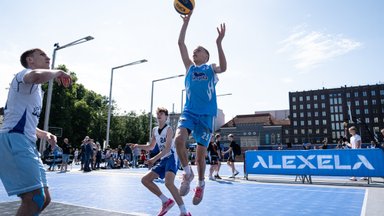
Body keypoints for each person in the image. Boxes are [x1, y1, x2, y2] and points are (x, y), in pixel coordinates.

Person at [0, 48, 71, 215]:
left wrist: (43, 134)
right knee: (34, 198)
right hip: (14, 141)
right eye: (42, 55)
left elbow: (23, 121)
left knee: (44, 198)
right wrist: (59, 71)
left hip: (27, 141)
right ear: (30, 60)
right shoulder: (24, 74)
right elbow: (36, 76)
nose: (47, 57)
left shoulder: (36, 91)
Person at [175, 10, 227, 206]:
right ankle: (187, 174)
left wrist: (219, 43)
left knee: (200, 157)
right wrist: (185, 23)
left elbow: (224, 66)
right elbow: (181, 44)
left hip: (206, 115)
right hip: (189, 112)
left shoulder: (210, 69)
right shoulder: (189, 68)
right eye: (194, 51)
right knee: (179, 140)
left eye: (199, 50)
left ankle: (201, 184)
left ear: (206, 55)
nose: (194, 52)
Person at [132, 107, 191, 216]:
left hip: (172, 157)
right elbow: (151, 146)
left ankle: (184, 212)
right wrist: (138, 146)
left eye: (162, 114)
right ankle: (165, 201)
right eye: (158, 114)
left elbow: (167, 148)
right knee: (145, 180)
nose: (159, 115)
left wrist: (153, 159)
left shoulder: (169, 129)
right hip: (163, 159)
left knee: (169, 183)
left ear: (166, 117)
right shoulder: (154, 130)